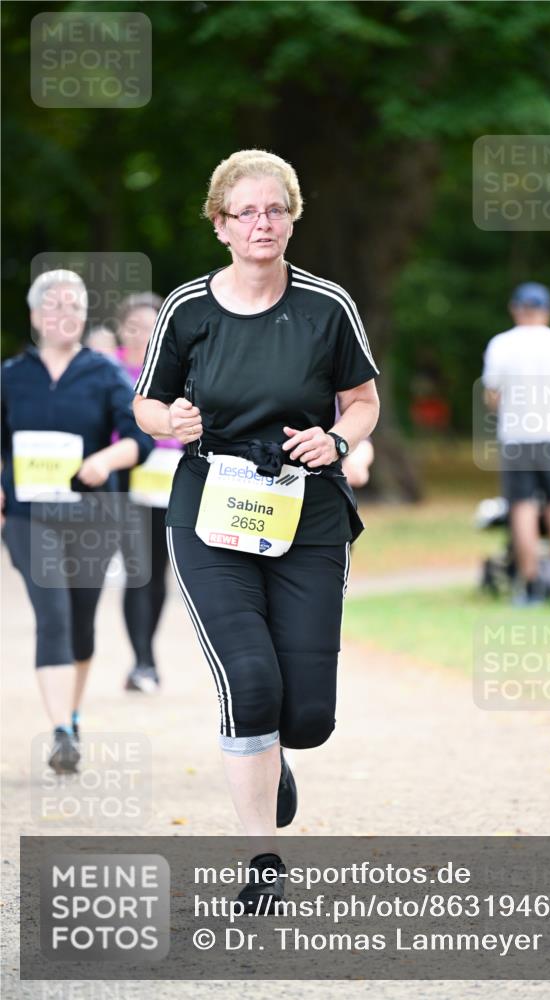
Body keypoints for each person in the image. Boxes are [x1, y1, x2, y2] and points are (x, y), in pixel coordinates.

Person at [133, 149, 380, 909]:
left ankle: (275, 752)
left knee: (306, 715)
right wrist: (170, 421)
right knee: (249, 680)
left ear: (292, 219)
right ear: (220, 225)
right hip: (211, 507)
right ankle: (262, 857)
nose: (261, 224)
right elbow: (147, 403)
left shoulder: (327, 306)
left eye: (275, 210)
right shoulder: (188, 309)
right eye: (245, 212)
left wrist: (337, 441)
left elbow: (363, 402)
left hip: (308, 511)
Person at [1, 270, 153, 772]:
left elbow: (139, 436)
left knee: (81, 626)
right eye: (54, 305)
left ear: (85, 316)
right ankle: (61, 732)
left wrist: (106, 461)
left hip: (93, 515)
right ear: (34, 315)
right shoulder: (11, 376)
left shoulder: (104, 373)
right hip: (28, 517)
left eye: (74, 306)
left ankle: (71, 714)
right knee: (53, 617)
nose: (64, 314)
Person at [482, 282, 550, 607]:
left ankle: (530, 585)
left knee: (522, 508)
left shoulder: (501, 344)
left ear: (515, 309)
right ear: (548, 311)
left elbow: (492, 395)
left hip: (517, 437)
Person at [114, 292, 182, 694]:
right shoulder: (109, 368)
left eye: (150, 327)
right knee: (137, 570)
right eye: (133, 327)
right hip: (125, 480)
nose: (141, 334)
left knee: (158, 572)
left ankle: (145, 656)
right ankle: (143, 661)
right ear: (121, 330)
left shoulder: (176, 369)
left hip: (170, 480)